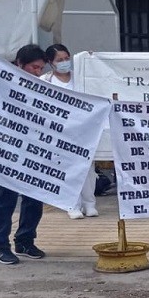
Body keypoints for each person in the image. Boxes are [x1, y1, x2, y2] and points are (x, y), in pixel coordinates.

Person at [0, 46, 50, 265]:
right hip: (6, 151)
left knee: (34, 198)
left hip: (32, 151)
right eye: (34, 67)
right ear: (19, 64)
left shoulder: (42, 84)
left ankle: (25, 240)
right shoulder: (0, 79)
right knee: (6, 198)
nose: (37, 71)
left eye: (41, 68)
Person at [41, 44, 99, 220]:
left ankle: (89, 204)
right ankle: (72, 204)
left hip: (83, 129)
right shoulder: (45, 80)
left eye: (67, 58)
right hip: (60, 131)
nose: (64, 62)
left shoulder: (80, 77)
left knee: (87, 168)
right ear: (51, 62)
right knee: (66, 168)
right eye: (60, 60)